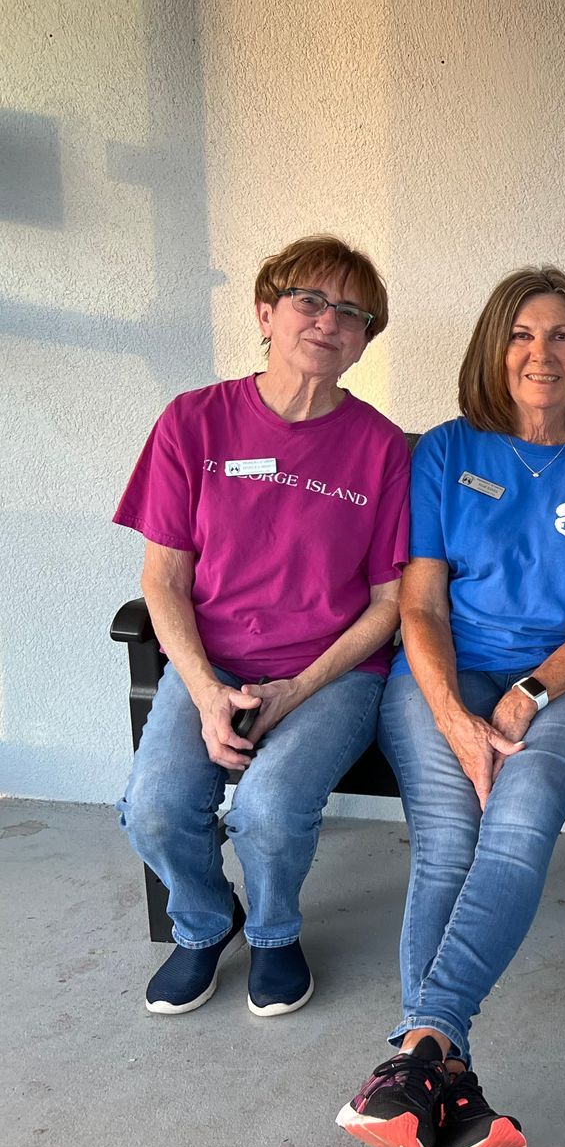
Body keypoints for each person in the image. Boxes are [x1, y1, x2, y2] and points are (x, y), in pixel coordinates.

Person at [337, 266, 565, 1147]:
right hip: (442, 670)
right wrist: (452, 712)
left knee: (516, 825)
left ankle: (416, 1061)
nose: (540, 353)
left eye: (561, 335)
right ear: (493, 347)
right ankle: (444, 1080)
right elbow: (421, 605)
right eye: (521, 334)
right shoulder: (445, 452)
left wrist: (527, 695)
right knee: (447, 838)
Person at [115, 235, 409, 1019]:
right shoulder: (193, 422)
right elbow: (162, 579)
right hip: (210, 660)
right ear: (266, 314)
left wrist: (296, 689)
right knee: (156, 806)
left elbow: (389, 603)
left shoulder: (381, 448)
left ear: (364, 340)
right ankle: (206, 922)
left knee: (270, 809)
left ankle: (275, 933)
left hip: (334, 672)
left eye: (352, 313)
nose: (329, 321)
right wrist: (207, 692)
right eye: (310, 300)